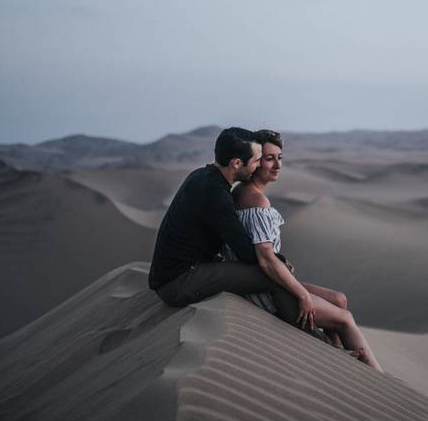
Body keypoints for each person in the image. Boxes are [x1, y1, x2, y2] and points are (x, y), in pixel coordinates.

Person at [224, 129, 383, 372]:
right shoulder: (255, 201)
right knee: (345, 319)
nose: (277, 165)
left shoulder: (243, 193)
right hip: (266, 293)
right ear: (254, 161)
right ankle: (375, 377)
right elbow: (266, 260)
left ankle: (343, 366)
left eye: (280, 157)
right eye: (269, 158)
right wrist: (302, 295)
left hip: (267, 282)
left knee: (339, 300)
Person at [148, 127, 302, 328]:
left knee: (273, 270)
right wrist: (279, 262)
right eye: (256, 161)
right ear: (237, 163)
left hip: (181, 273)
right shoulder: (216, 195)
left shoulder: (203, 175)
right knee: (272, 275)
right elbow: (247, 253)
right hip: (179, 282)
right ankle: (306, 333)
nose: (257, 167)